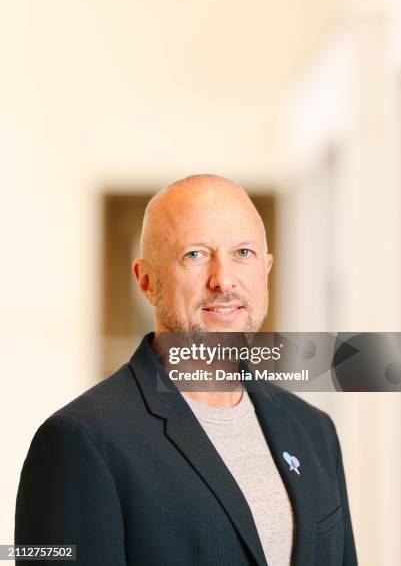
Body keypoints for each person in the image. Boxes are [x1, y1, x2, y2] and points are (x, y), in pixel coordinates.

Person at [15, 174, 358, 565]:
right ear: (146, 280)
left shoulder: (315, 432)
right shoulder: (79, 443)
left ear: (266, 269)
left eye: (242, 253)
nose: (223, 280)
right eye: (194, 254)